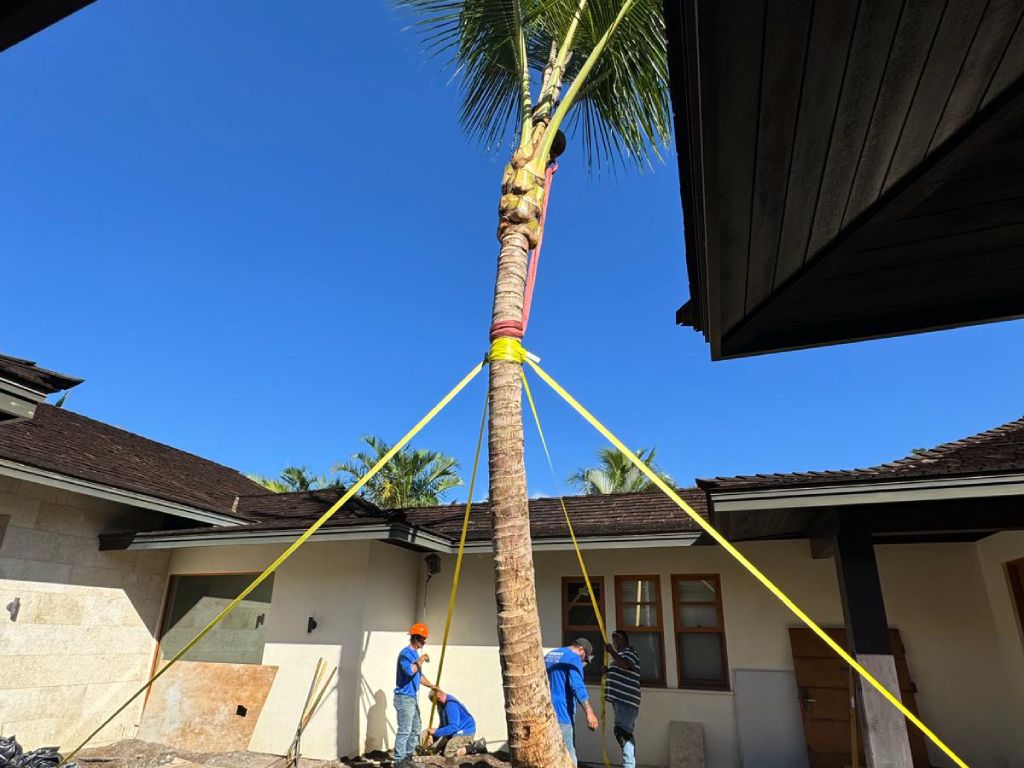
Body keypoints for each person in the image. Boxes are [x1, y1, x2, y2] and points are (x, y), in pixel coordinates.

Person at [545, 638, 599, 765]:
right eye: (584, 658)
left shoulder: (550, 655)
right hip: (563, 713)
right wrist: (589, 712)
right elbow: (577, 686)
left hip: (545, 711)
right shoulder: (573, 659)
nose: (583, 662)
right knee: (568, 755)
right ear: (581, 650)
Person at [394, 622, 434, 767]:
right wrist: (421, 659)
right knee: (404, 730)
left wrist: (432, 686)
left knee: (416, 727)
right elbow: (410, 671)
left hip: (411, 698)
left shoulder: (414, 654)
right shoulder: (405, 654)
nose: (425, 642)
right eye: (423, 639)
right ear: (416, 638)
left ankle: (408, 758)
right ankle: (399, 761)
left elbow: (418, 676)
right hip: (403, 698)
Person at [605, 630, 641, 768]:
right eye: (613, 640)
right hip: (620, 701)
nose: (614, 643)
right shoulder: (619, 656)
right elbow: (621, 670)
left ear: (625, 640)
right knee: (623, 732)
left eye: (617, 639)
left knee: (623, 733)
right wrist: (608, 671)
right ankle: (629, 764)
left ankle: (629, 765)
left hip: (626, 701)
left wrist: (611, 652)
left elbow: (626, 665)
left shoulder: (630, 652)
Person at [426, 688, 487, 757]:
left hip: (464, 732)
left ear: (438, 698)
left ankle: (476, 746)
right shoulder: (441, 706)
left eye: (434, 703)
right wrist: (434, 736)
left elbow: (454, 727)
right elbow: (443, 725)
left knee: (448, 753)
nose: (435, 705)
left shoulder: (451, 705)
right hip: (454, 732)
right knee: (435, 750)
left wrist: (436, 732)